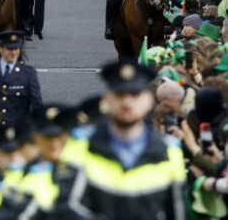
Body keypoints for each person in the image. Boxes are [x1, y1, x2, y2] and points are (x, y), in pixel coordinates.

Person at [61, 60, 187, 220]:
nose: (127, 102)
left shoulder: (170, 152)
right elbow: (68, 207)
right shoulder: (78, 146)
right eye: (120, 94)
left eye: (134, 95)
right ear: (106, 100)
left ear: (149, 101)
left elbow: (177, 213)